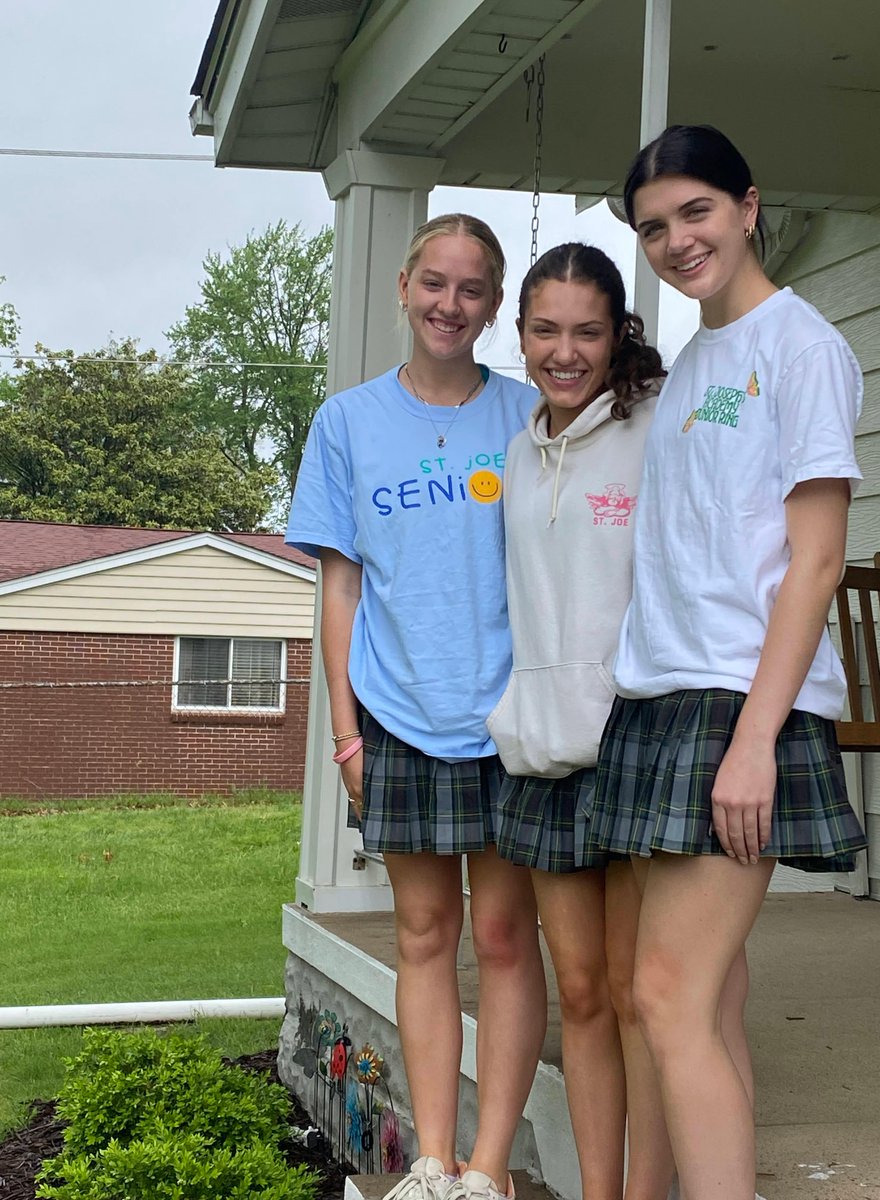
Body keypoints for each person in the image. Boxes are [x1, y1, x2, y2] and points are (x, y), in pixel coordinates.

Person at [588, 125, 868, 1200]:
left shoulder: (801, 348)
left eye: (695, 211)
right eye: (653, 226)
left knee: (664, 991)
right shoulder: (700, 360)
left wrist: (755, 741)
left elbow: (818, 556)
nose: (675, 240)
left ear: (749, 206)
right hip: (661, 698)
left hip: (740, 705)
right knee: (699, 998)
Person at [286, 213, 547, 1200]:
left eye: (472, 288)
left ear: (493, 304)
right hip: (399, 715)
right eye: (433, 282)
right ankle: (433, 1159)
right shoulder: (348, 423)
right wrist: (348, 732)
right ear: (403, 286)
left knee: (504, 940)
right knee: (425, 935)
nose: (450, 303)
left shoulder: (527, 415)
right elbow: (341, 589)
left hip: (512, 719)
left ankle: (490, 1168)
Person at [487, 242, 664, 1200]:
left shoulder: (656, 426)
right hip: (542, 752)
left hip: (634, 743)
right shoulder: (516, 449)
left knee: (644, 998)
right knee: (585, 995)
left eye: (587, 331)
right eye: (546, 330)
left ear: (616, 334)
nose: (565, 351)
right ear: (519, 335)